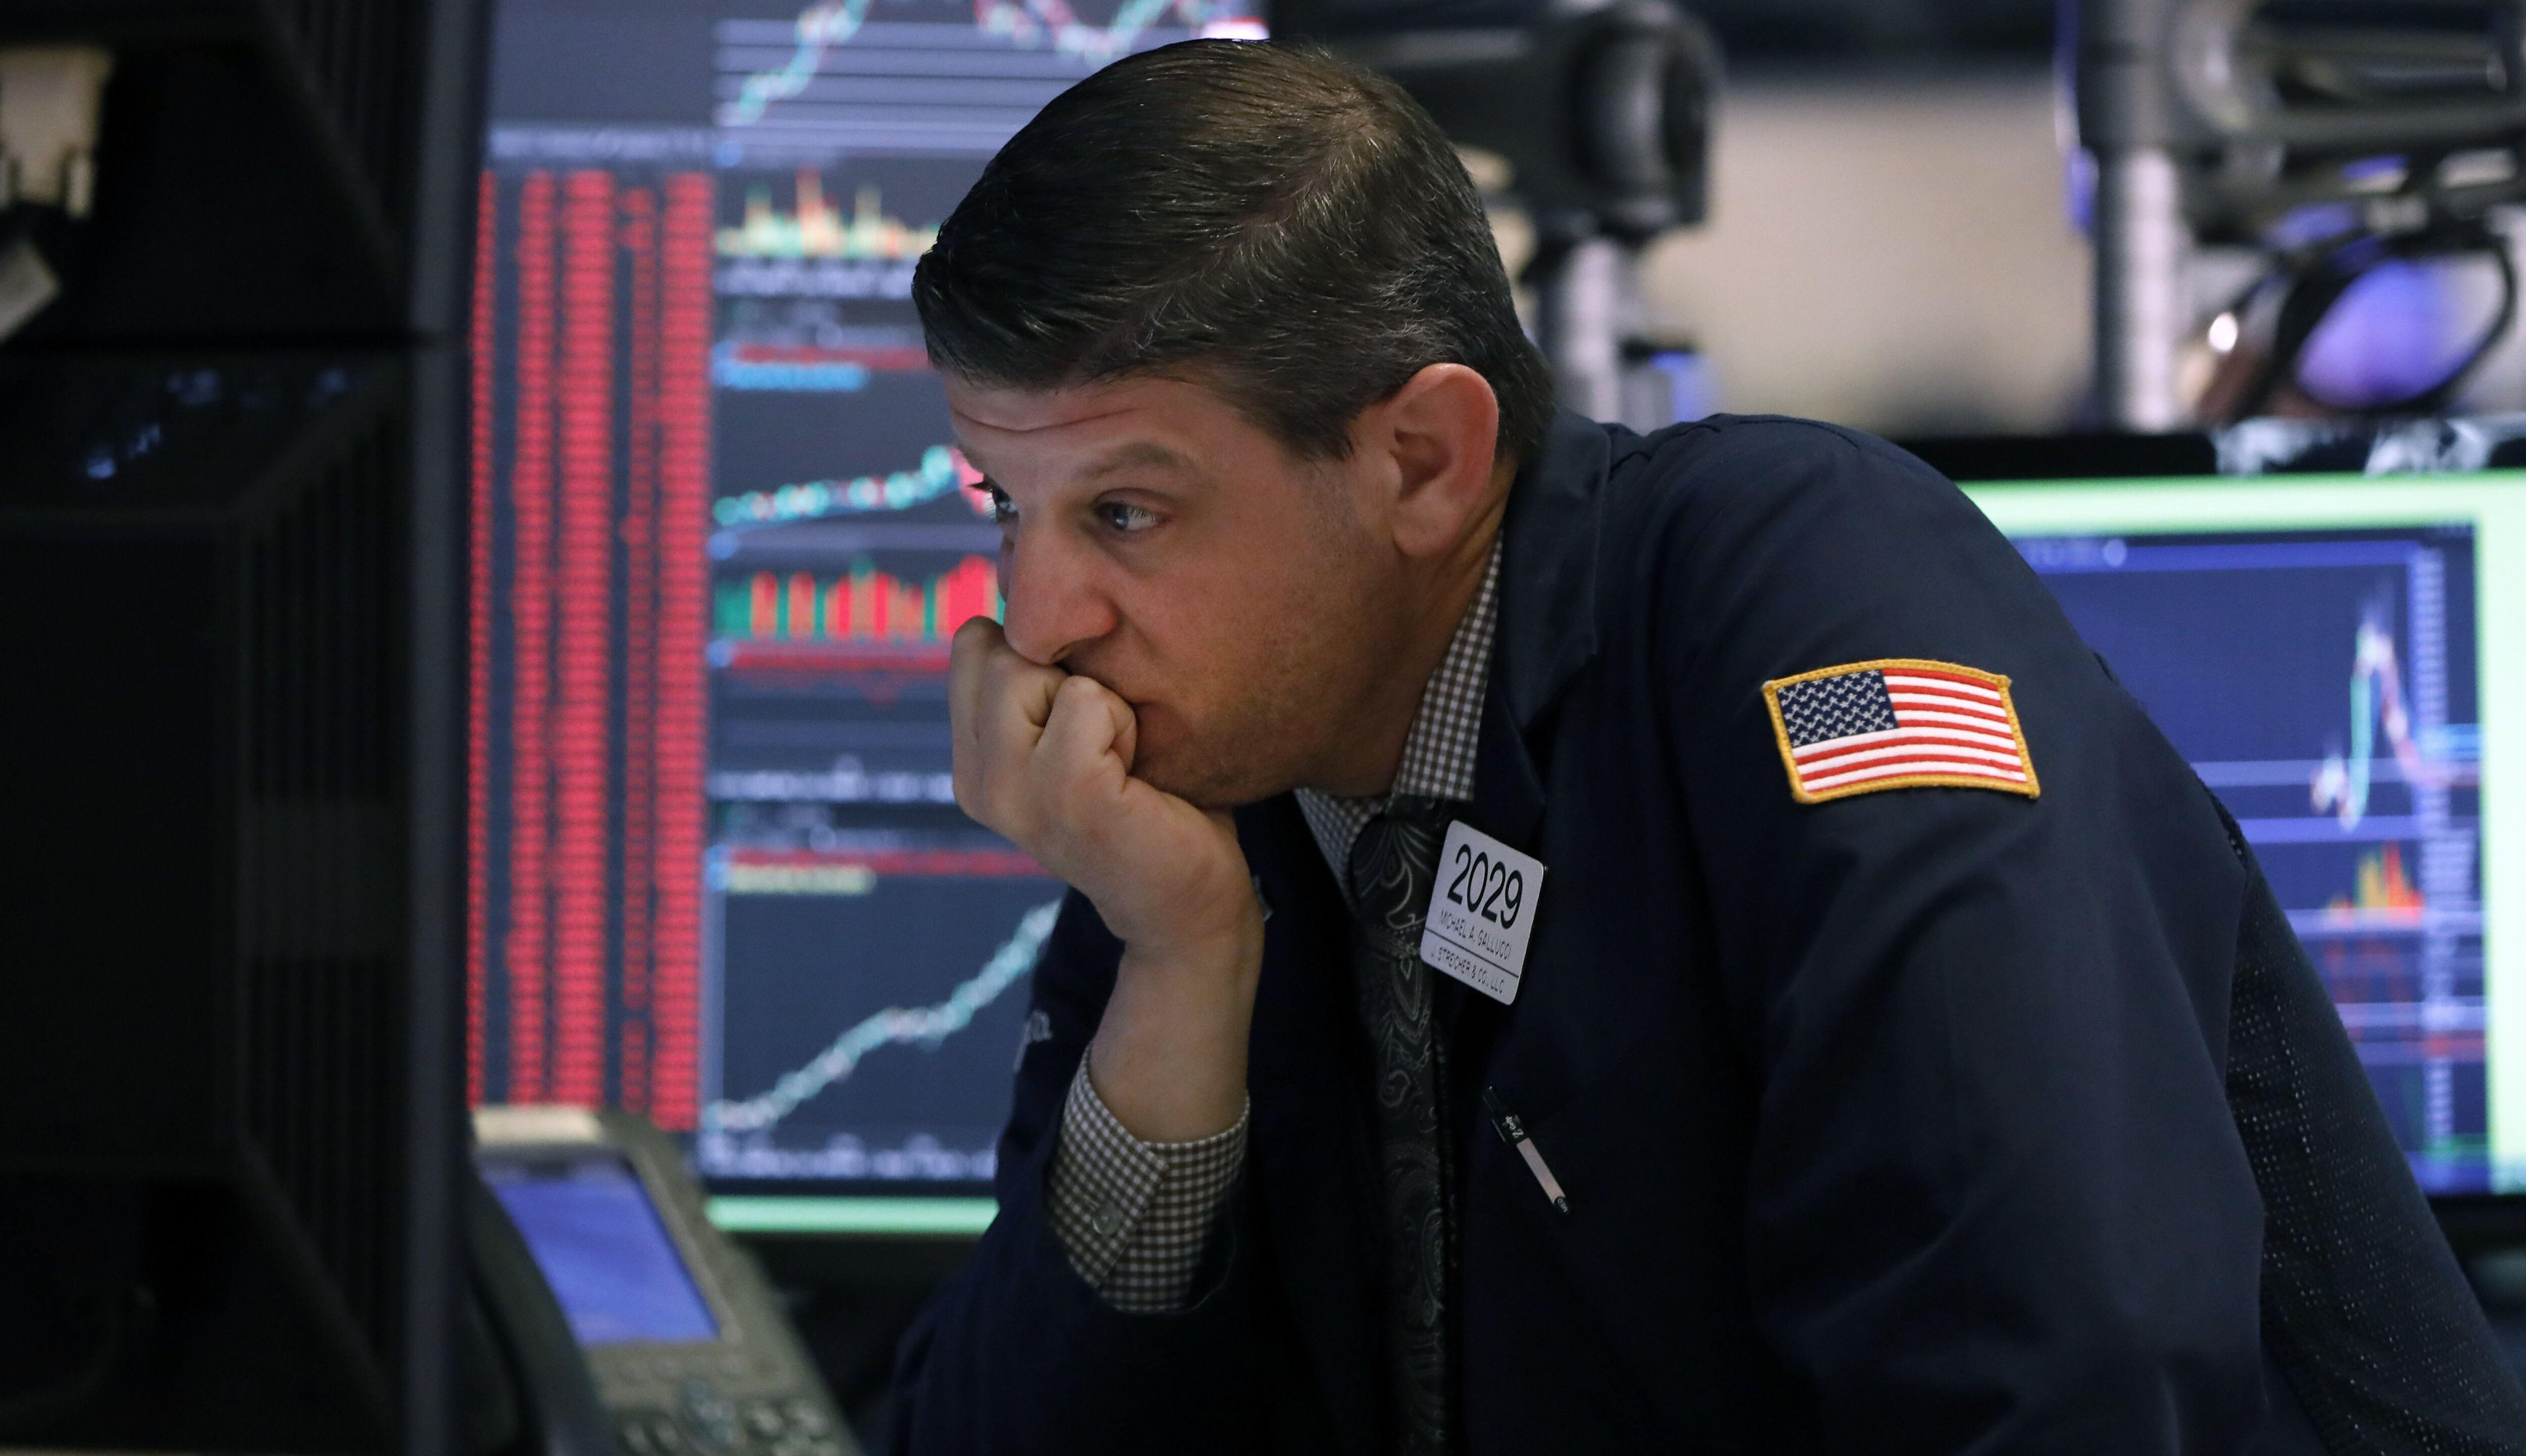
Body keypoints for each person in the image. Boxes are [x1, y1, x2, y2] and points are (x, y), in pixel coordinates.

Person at [887, 38, 2526, 1456]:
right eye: (1003, 505)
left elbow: (2046, 1372)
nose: (1038, 618)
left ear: (1423, 459)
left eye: (1125, 511)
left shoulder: (1808, 597)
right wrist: (1173, 977)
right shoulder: (1220, 819)